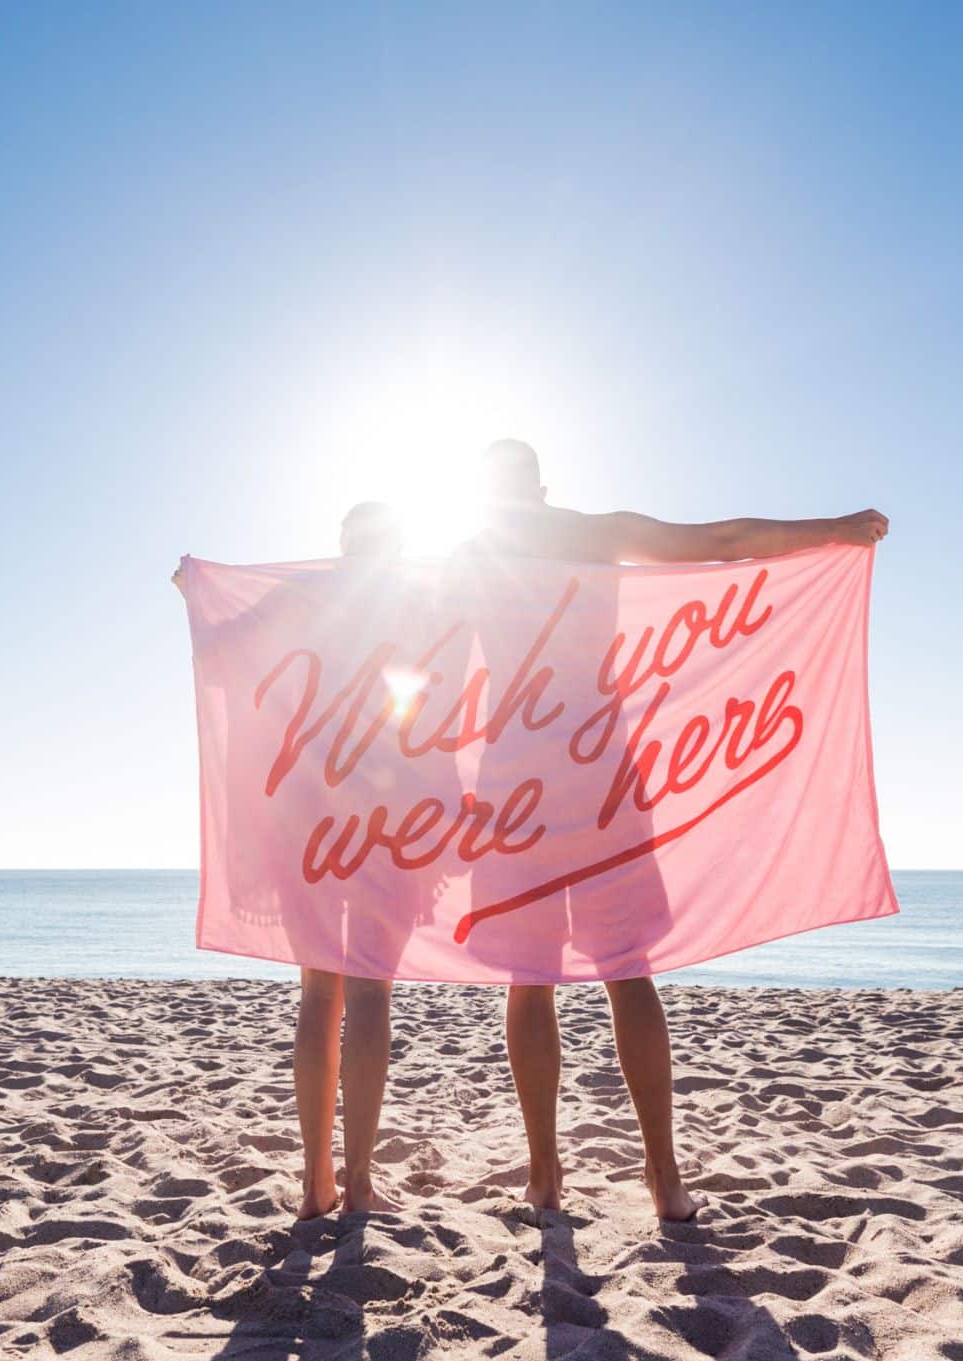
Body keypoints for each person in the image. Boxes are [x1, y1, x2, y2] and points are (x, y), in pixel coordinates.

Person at [462, 438, 886, 1220]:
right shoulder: (589, 532)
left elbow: (356, 618)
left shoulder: (468, 557)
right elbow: (719, 543)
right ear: (544, 487)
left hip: (520, 770)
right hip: (595, 766)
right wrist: (830, 526)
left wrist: (214, 602)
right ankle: (661, 1177)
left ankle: (548, 1176)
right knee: (627, 967)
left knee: (535, 975)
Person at [175, 501, 442, 1217]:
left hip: (306, 815)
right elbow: (438, 710)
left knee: (319, 996)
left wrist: (192, 594)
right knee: (370, 996)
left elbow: (222, 652)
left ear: (343, 547)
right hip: (391, 811)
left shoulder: (302, 598)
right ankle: (355, 1185)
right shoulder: (417, 607)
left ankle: (318, 1182)